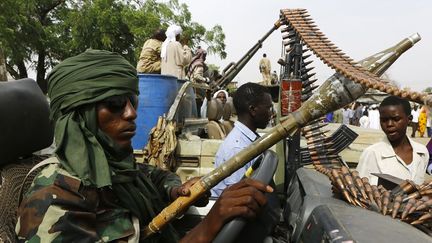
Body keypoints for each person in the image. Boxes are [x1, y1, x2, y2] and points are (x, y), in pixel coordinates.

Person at [15, 50, 273, 242]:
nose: (130, 113)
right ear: (81, 116)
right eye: (115, 103)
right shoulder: (55, 197)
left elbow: (153, 176)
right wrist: (211, 224)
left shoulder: (113, 167)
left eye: (133, 101)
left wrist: (177, 190)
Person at [211, 83, 273, 197]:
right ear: (253, 109)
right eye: (268, 108)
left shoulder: (249, 139)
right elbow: (237, 198)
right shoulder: (238, 148)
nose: (271, 113)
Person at [356, 96, 429, 185]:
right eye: (384, 120)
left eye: (396, 119)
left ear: (409, 120)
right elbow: (359, 189)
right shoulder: (372, 153)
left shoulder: (422, 153)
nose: (389, 124)